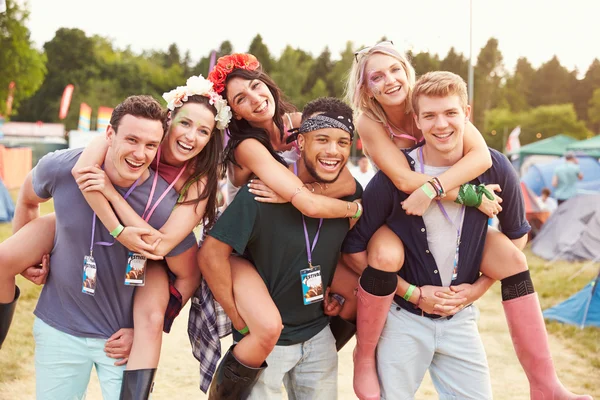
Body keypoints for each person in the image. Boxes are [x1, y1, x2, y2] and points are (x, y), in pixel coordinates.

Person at [342, 71, 592, 400]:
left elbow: (517, 238)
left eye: (450, 113)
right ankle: (366, 355)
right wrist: (413, 293)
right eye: (429, 116)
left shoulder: (497, 167)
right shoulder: (394, 177)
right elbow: (354, 250)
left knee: (513, 258)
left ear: (467, 114)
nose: (441, 124)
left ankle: (546, 385)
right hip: (404, 319)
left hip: (459, 320)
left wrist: (477, 289)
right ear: (416, 120)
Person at [188, 53, 362, 395]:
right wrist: (348, 210)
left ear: (266, 83)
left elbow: (343, 182)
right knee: (265, 326)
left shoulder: (298, 122)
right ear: (234, 112)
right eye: (241, 99)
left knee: (358, 291)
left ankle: (315, 339)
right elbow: (310, 204)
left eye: (255, 87)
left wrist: (300, 189)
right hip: (245, 241)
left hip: (295, 222)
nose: (255, 99)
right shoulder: (249, 147)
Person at [3, 95, 198, 400]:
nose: (139, 154)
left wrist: (146, 331)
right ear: (109, 134)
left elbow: (188, 274)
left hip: (122, 343)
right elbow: (28, 198)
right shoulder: (62, 167)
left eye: (150, 145)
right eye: (131, 140)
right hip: (59, 329)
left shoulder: (164, 205)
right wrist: (29, 257)